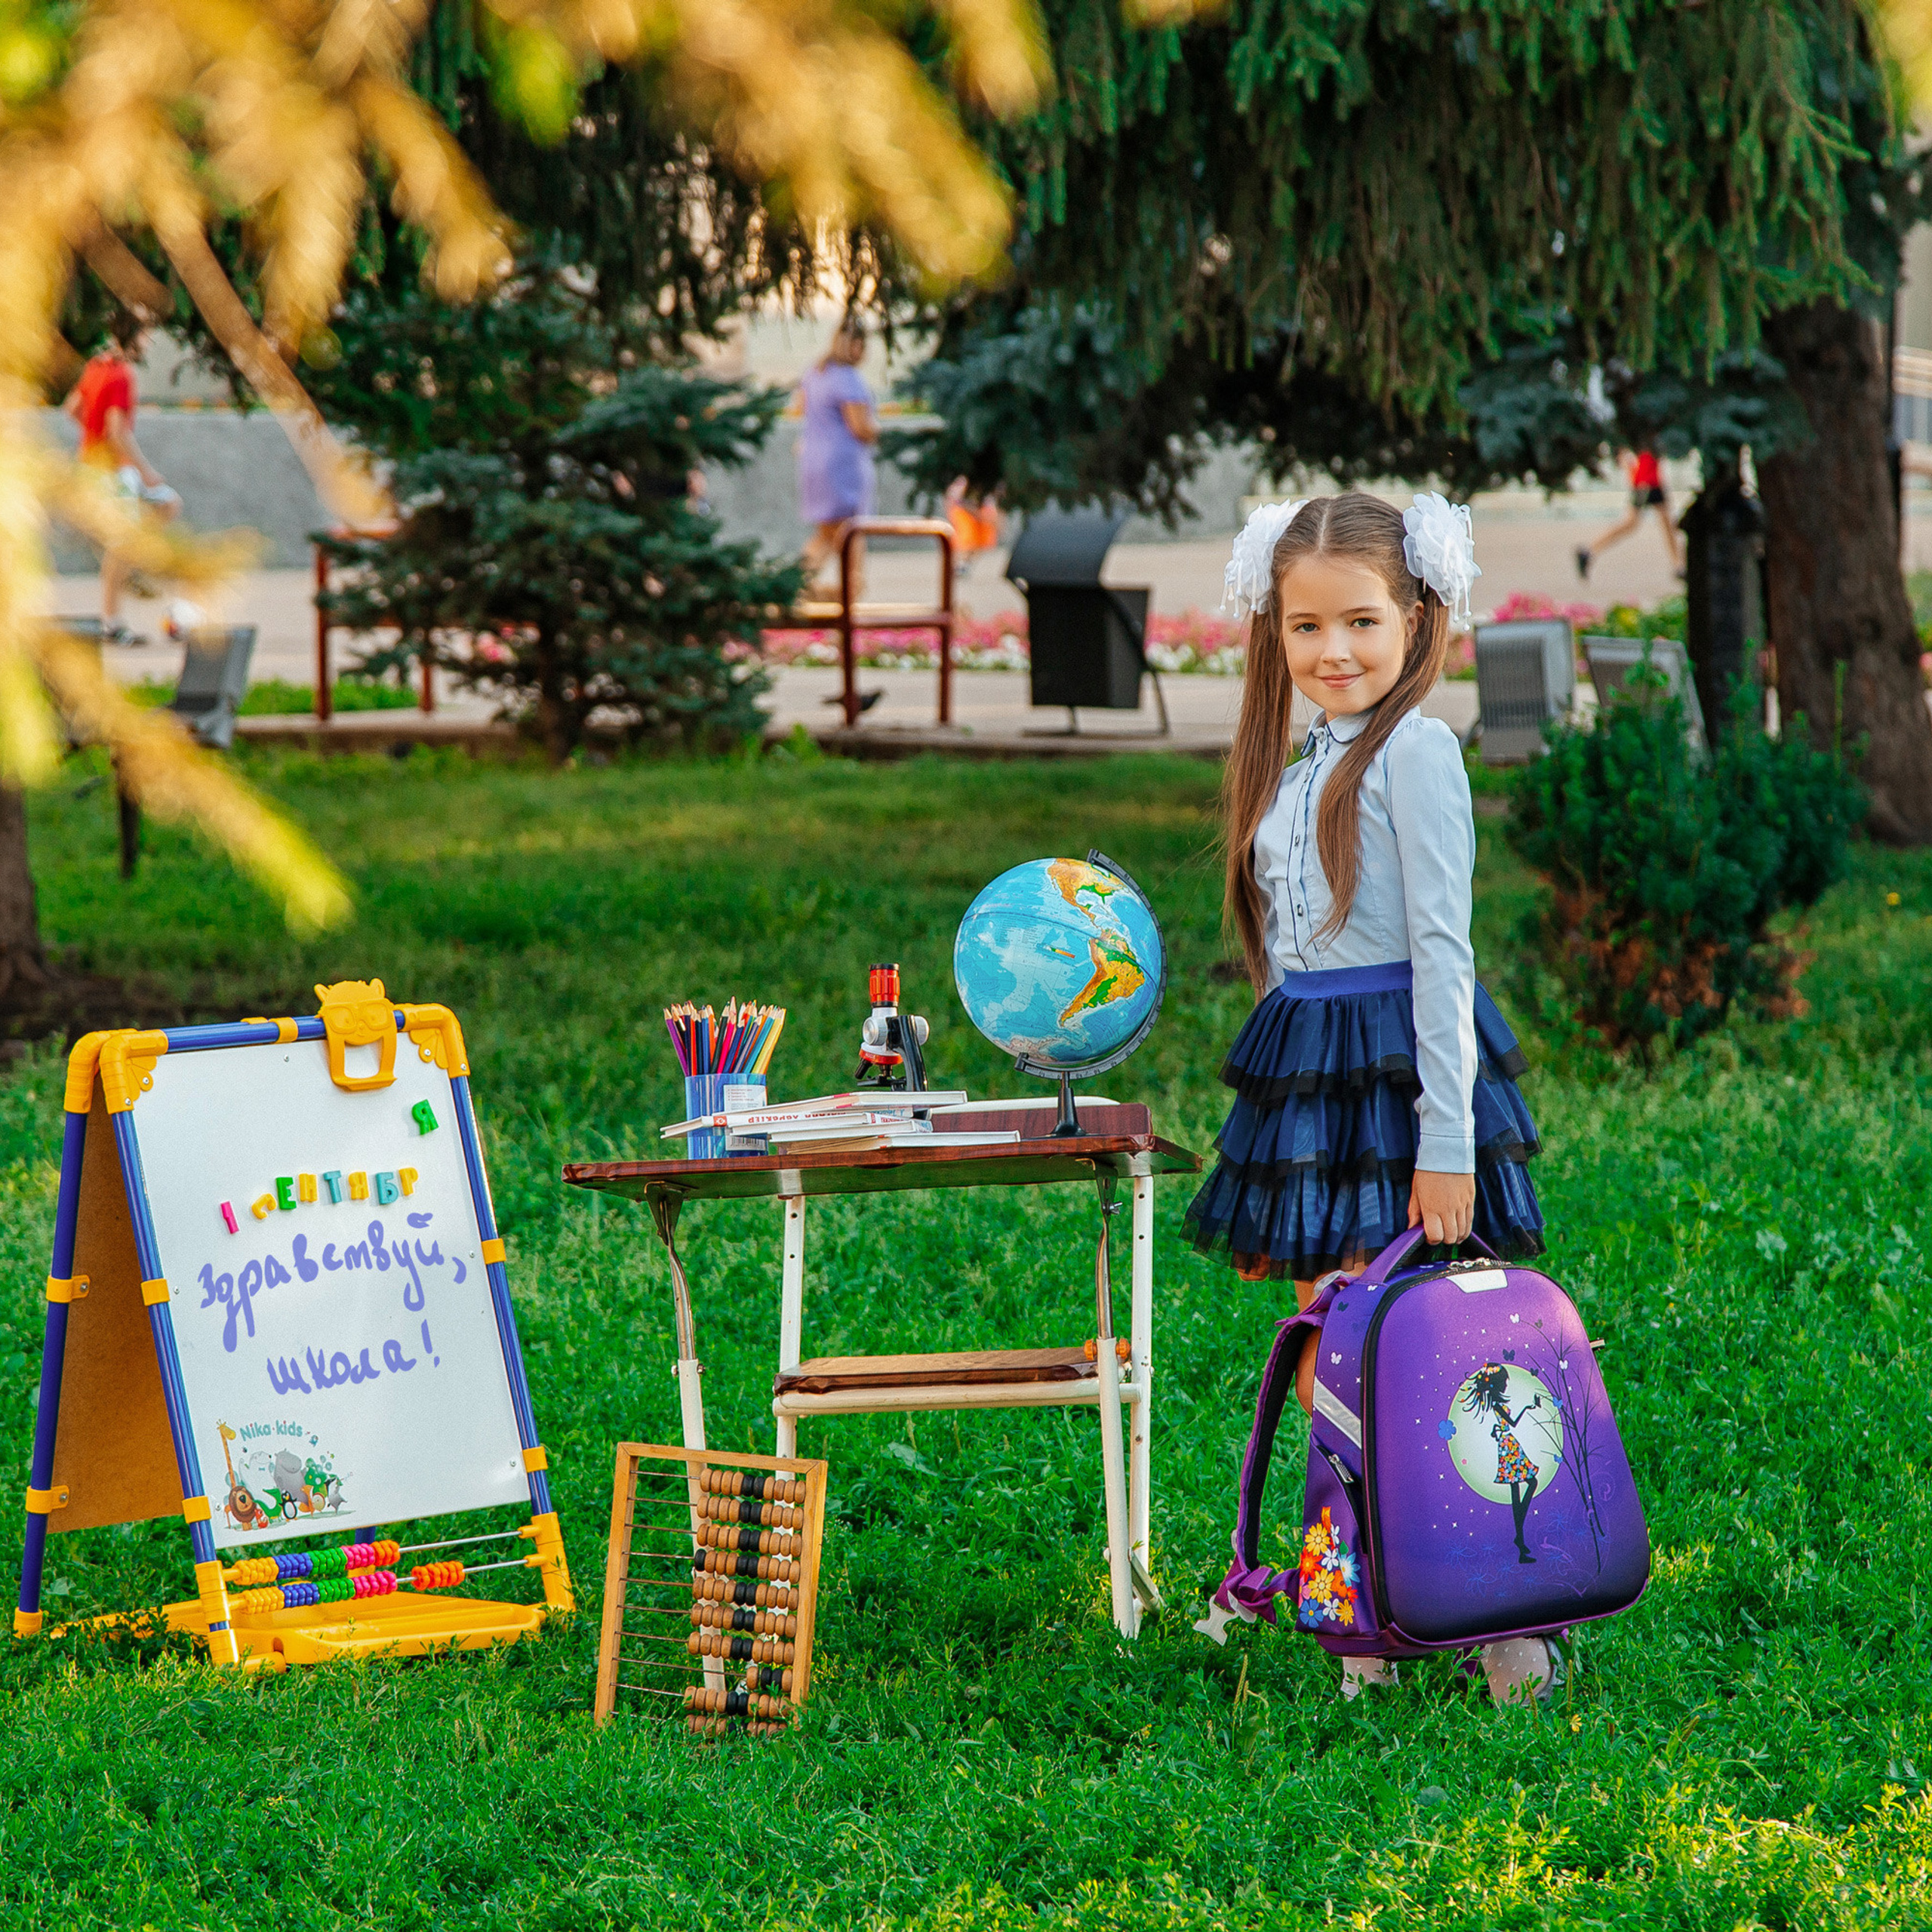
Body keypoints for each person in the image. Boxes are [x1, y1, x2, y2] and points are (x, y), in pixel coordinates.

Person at [1183, 491, 1555, 1707]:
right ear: (1271, 633)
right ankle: (1376, 1604)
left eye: (1360, 622)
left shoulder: (1418, 751)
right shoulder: (1307, 757)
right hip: (1315, 1079)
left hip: (1403, 1081)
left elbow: (1445, 953)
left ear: (1419, 619)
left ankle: (1505, 1615)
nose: (1332, 651)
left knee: (1437, 1354)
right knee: (1332, 1353)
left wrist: (1445, 1147)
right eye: (1303, 628)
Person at [63, 312, 180, 643]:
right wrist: (147, 471)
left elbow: (72, 408)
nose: (150, 342)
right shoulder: (121, 376)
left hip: (100, 466)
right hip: (111, 473)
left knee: (168, 505)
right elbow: (117, 432)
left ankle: (133, 571)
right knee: (123, 546)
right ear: (133, 335)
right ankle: (113, 622)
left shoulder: (97, 366)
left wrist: (92, 435)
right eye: (146, 335)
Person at [797, 319, 877, 593]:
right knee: (851, 533)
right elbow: (859, 427)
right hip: (842, 465)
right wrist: (876, 432)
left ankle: (794, 584)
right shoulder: (848, 378)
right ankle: (853, 592)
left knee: (827, 534)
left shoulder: (815, 373)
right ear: (853, 346)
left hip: (814, 459)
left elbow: (800, 408)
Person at [1575, 445, 1680, 580]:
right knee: (1633, 523)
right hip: (1646, 481)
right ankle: (1588, 551)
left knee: (1663, 523)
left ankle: (1678, 564)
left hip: (1651, 479)